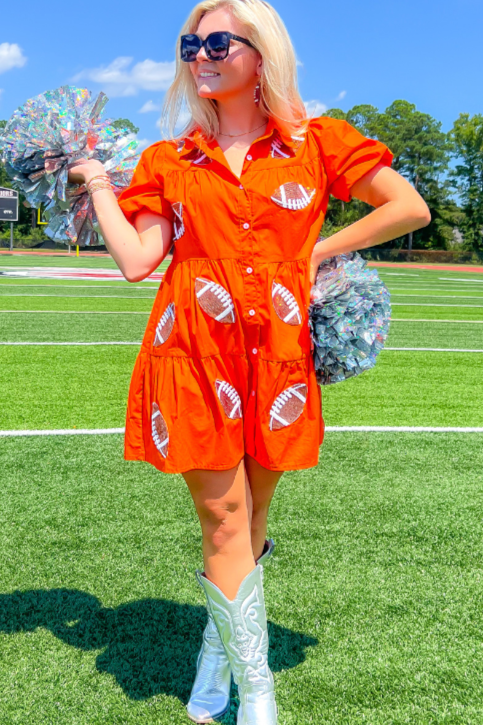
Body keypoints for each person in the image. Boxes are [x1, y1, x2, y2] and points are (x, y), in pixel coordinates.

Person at [68, 0, 430, 721]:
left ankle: (215, 651)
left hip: (278, 355)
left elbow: (407, 206)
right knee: (226, 519)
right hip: (193, 351)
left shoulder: (317, 140)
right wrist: (103, 187)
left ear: (260, 53)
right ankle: (258, 692)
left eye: (216, 41)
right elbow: (140, 261)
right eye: (188, 43)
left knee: (256, 513)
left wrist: (316, 250)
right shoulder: (168, 160)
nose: (198, 54)